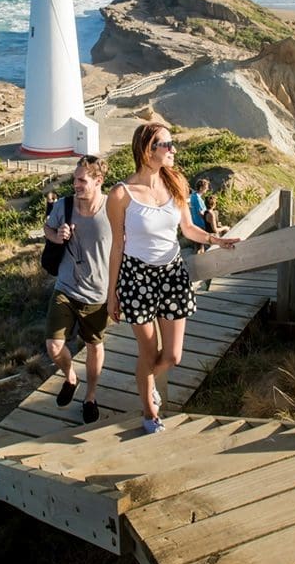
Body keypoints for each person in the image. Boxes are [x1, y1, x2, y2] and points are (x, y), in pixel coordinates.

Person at [107, 123, 239, 434]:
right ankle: (150, 412)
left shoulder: (176, 181)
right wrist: (112, 294)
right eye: (166, 144)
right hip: (136, 278)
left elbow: (188, 229)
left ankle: (145, 379)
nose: (173, 150)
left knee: (173, 356)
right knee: (149, 353)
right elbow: (117, 246)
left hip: (173, 276)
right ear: (147, 150)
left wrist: (216, 240)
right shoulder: (120, 194)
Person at [43, 156, 112, 424]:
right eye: (74, 178)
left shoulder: (113, 210)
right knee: (53, 345)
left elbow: (123, 249)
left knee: (95, 346)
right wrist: (56, 235)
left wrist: (116, 292)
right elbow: (47, 229)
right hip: (66, 287)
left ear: (98, 181)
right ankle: (70, 376)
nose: (75, 184)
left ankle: (90, 396)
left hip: (98, 293)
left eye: (82, 180)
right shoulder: (64, 205)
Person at [190, 179, 209, 253]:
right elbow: (201, 213)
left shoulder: (194, 195)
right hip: (200, 224)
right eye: (206, 187)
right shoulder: (197, 198)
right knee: (200, 247)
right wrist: (208, 222)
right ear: (201, 188)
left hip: (195, 223)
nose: (207, 189)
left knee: (198, 245)